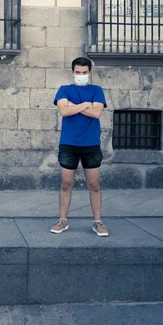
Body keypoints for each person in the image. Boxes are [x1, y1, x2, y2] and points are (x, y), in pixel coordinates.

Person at [51, 56, 109, 237]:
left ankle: (98, 222)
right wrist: (85, 105)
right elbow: (63, 111)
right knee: (66, 183)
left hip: (91, 145)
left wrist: (73, 105)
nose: (81, 75)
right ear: (72, 72)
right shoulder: (64, 89)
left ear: (89, 73)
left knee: (94, 184)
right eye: (78, 72)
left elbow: (97, 113)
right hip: (68, 145)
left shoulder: (97, 90)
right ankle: (62, 220)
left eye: (84, 73)